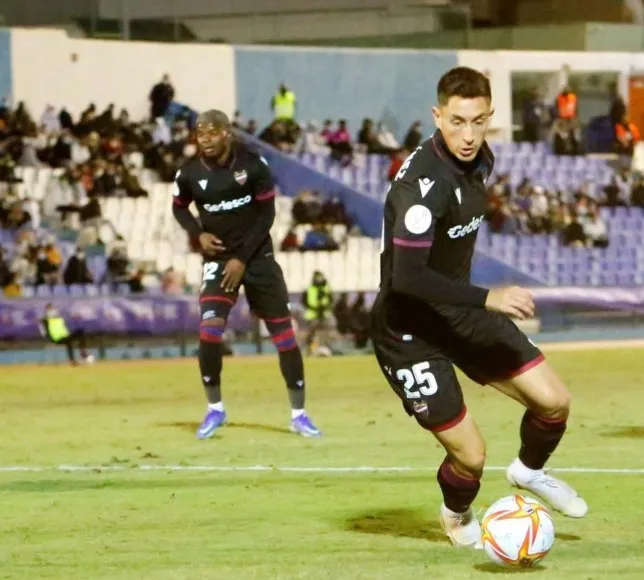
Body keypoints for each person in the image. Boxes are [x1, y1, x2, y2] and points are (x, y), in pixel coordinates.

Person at [370, 67, 587, 549]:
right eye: (456, 122)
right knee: (471, 456)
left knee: (554, 402)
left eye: (478, 122)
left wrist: (472, 300)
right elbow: (406, 278)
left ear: (490, 117)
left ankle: (530, 472)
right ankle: (456, 514)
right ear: (436, 115)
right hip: (408, 330)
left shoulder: (479, 159)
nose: (468, 136)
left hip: (455, 311)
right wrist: (487, 297)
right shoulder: (420, 188)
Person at [172, 109, 319, 439]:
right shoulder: (189, 173)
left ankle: (299, 415)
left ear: (227, 133)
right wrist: (197, 234)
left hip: (258, 258)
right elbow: (179, 207)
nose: (205, 139)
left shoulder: (253, 165)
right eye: (200, 133)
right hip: (218, 260)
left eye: (212, 132)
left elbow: (267, 214)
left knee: (283, 337)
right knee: (209, 331)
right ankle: (215, 410)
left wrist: (242, 258)